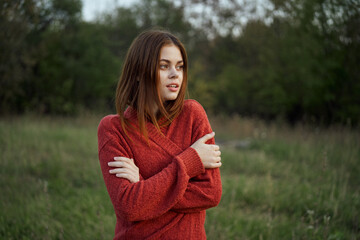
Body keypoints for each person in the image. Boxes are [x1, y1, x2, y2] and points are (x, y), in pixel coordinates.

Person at [97, 29, 222, 240]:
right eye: (164, 66)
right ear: (138, 72)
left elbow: (210, 193)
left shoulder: (193, 115)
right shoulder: (114, 128)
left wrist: (143, 184)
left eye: (179, 67)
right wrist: (191, 160)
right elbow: (128, 207)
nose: (175, 74)